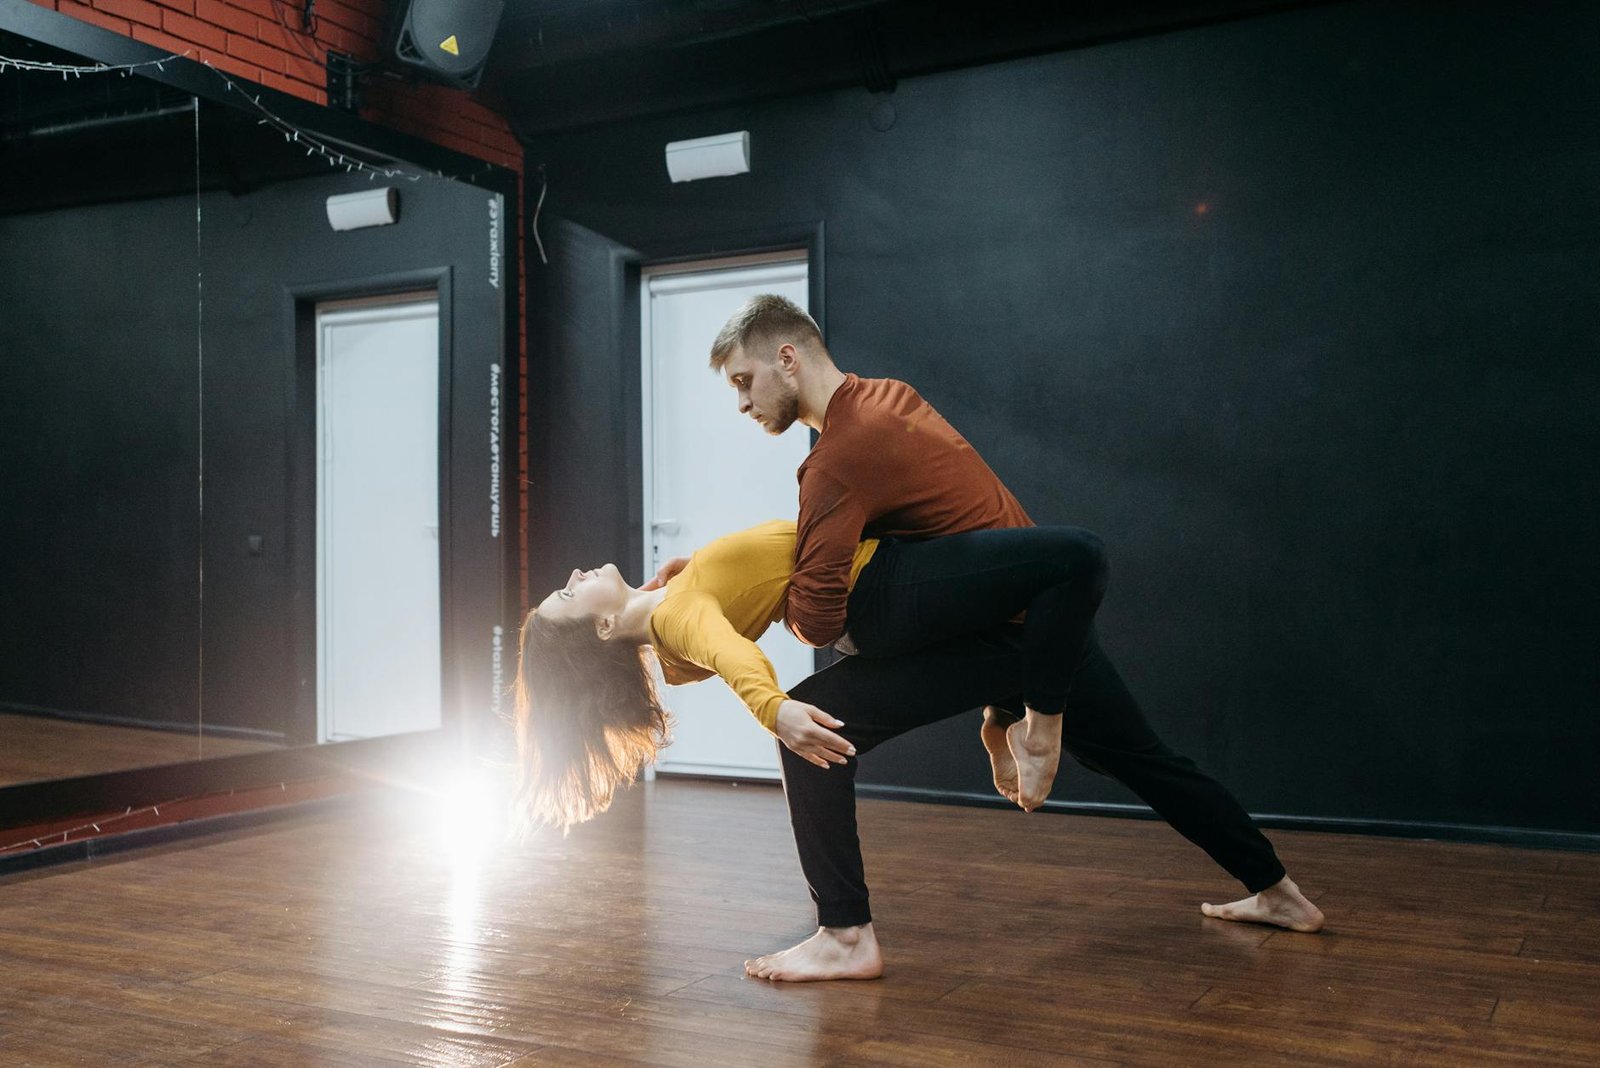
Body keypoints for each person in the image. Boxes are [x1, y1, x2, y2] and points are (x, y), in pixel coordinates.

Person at [708, 294, 1323, 982]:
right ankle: (1281, 894)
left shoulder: (839, 457)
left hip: (1014, 635)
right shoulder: (890, 397)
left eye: (743, 381)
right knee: (1150, 761)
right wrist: (1003, 713)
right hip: (1045, 624)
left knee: (807, 733)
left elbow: (820, 619)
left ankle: (846, 935)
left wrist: (1038, 713)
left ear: (787, 358)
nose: (742, 404)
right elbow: (976, 546)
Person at [512, 518, 1107, 831]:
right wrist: (777, 710)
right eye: (569, 593)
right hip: (872, 585)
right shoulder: (677, 613)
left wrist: (682, 575)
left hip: (857, 596)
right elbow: (729, 653)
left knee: (995, 630)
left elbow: (718, 609)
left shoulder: (669, 600)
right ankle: (1026, 720)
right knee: (1068, 561)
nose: (574, 573)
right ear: (603, 630)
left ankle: (1000, 717)